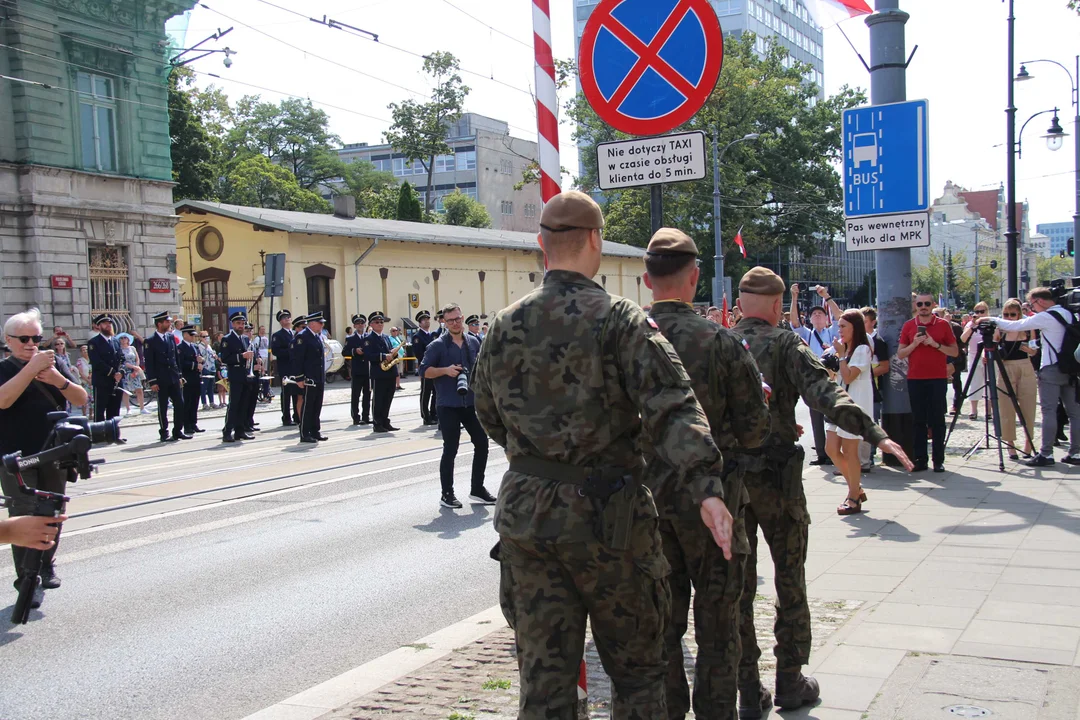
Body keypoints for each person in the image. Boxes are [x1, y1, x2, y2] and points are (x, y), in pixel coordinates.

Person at [472, 191, 736, 719]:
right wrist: (707, 488)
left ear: (541, 245)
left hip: (529, 519)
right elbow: (673, 407)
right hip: (608, 520)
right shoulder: (621, 319)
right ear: (595, 239)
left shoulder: (504, 324)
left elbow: (488, 412)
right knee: (639, 676)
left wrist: (539, 460)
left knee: (544, 683)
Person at [731, 268, 912, 716]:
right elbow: (826, 394)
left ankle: (748, 689)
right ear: (777, 307)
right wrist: (874, 432)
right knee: (788, 579)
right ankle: (790, 681)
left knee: (736, 587)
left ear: (739, 304)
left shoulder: (721, 343)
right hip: (777, 478)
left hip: (729, 481)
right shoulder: (787, 343)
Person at [641, 229, 771, 720]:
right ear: (694, 278)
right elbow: (755, 431)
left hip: (647, 506)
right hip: (715, 503)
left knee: (662, 627)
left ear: (647, 278)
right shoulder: (721, 341)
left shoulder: (624, 338)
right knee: (718, 629)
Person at [0, 308, 88, 597]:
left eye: (36, 338)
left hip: (54, 452)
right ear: (8, 340)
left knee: (54, 512)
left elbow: (80, 398)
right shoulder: (5, 368)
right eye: (23, 338)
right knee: (23, 515)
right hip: (16, 457)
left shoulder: (51, 365)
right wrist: (30, 368)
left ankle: (46, 565)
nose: (30, 343)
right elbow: (4, 400)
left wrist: (57, 380)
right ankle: (27, 577)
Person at [978, 287, 1080, 466]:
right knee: (1074, 412)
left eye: (1032, 304)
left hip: (1051, 368)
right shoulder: (1068, 313)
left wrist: (990, 319)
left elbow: (1016, 325)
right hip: (1070, 367)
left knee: (1048, 411)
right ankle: (1076, 452)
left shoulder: (1046, 316)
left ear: (1039, 301)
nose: (1032, 308)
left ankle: (1046, 454)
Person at [419, 303, 494, 509]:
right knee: (450, 448)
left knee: (482, 443)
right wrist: (445, 370)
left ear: (462, 318)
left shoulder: (473, 341)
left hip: (470, 403)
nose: (455, 323)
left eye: (458, 319)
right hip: (448, 404)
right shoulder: (437, 345)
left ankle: (477, 489)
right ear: (444, 321)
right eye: (451, 320)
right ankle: (447, 493)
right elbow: (424, 371)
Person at [897, 293, 960, 472]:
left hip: (937, 378)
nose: (923, 306)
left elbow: (955, 352)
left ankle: (938, 460)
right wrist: (915, 344)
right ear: (915, 306)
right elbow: (901, 353)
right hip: (915, 378)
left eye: (926, 303)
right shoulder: (909, 325)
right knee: (918, 420)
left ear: (933, 305)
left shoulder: (943, 325)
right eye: (919, 304)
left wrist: (935, 344)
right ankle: (920, 459)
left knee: (937, 420)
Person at [825, 310, 876, 514]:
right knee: (831, 449)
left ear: (855, 327)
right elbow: (836, 376)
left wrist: (842, 356)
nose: (840, 330)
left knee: (849, 450)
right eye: (839, 326)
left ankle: (853, 495)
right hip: (838, 403)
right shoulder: (843, 349)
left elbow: (849, 377)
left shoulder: (862, 349)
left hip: (855, 405)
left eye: (844, 326)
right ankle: (856, 488)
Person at [789, 284, 844, 466]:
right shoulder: (807, 334)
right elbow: (795, 322)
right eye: (814, 314)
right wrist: (794, 297)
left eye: (821, 313)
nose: (817, 315)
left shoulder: (833, 332)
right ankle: (821, 454)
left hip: (833, 381)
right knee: (816, 419)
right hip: (813, 382)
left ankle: (835, 452)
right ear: (810, 319)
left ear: (826, 317)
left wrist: (826, 297)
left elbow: (840, 317)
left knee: (834, 419)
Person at [993, 299, 1039, 459]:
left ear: (1019, 314)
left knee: (1028, 405)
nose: (1009, 317)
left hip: (1024, 365)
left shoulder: (1027, 329)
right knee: (1005, 407)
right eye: (1006, 314)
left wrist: (1025, 347)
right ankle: (1010, 445)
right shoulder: (1000, 329)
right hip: (1006, 367)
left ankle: (1028, 443)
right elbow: (992, 347)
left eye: (1012, 314)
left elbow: (1034, 352)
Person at [145, 312, 188, 443]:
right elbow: (149, 363)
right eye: (167, 322)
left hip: (174, 377)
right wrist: (152, 381)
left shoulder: (170, 338)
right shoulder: (150, 341)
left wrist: (180, 375)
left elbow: (176, 358)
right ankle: (164, 432)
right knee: (162, 406)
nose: (169, 324)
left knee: (180, 404)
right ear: (159, 324)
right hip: (161, 378)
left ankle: (178, 430)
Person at [857, 308, 891, 472]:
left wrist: (863, 372)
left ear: (872, 322)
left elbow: (885, 366)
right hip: (858, 388)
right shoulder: (856, 340)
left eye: (864, 322)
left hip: (874, 389)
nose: (861, 325)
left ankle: (868, 458)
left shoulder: (877, 341)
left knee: (870, 422)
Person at [220, 312, 255, 443]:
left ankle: (240, 431)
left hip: (245, 375)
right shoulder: (227, 339)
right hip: (235, 375)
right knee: (234, 404)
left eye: (242, 323)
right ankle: (227, 431)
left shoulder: (245, 339)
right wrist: (242, 356)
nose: (241, 326)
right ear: (232, 324)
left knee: (244, 404)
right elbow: (225, 358)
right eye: (238, 323)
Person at [363, 312, 400, 433]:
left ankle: (385, 421)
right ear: (371, 324)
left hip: (390, 372)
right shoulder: (368, 339)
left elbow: (389, 352)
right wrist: (383, 356)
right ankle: (377, 423)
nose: (380, 324)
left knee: (388, 398)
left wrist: (393, 353)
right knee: (378, 399)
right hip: (379, 373)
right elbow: (368, 355)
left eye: (381, 322)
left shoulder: (386, 337)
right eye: (377, 322)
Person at [295, 311, 328, 443]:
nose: (322, 325)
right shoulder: (302, 337)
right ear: (312, 323)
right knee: (308, 406)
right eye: (320, 323)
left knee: (317, 405)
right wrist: (299, 378)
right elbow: (298, 359)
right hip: (308, 378)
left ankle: (315, 430)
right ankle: (305, 432)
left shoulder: (317, 336)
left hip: (318, 376)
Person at [87, 314, 123, 421]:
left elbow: (122, 358)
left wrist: (121, 372)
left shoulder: (115, 341)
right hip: (102, 381)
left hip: (116, 382)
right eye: (105, 323)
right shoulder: (94, 342)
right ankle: (100, 436)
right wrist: (113, 373)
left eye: (109, 323)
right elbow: (96, 362)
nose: (108, 325)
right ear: (99, 326)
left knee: (115, 410)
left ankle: (114, 435)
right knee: (100, 411)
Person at [960, 302, 991, 419]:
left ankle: (989, 410)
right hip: (974, 356)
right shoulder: (970, 324)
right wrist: (973, 325)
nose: (979, 314)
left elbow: (996, 338)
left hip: (988, 355)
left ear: (987, 312)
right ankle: (974, 410)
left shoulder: (991, 323)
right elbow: (963, 338)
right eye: (977, 312)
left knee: (989, 381)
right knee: (974, 382)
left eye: (982, 312)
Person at [271, 310, 299, 426]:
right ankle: (286, 417)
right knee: (286, 393)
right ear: (280, 322)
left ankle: (297, 416)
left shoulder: (296, 334)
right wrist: (291, 351)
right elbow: (276, 351)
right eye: (284, 318)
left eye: (288, 317)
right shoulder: (277, 335)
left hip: (296, 368)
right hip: (285, 368)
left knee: (297, 392)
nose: (287, 319)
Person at [342, 314, 371, 425]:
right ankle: (355, 417)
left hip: (367, 369)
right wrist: (354, 351)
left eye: (362, 323)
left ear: (365, 324)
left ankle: (366, 416)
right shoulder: (350, 339)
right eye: (357, 323)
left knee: (367, 394)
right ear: (354, 326)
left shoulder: (368, 337)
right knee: (356, 395)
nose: (360, 325)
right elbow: (344, 352)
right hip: (357, 370)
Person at [412, 310, 439, 425]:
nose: (427, 322)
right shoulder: (417, 337)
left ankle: (434, 413)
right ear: (419, 323)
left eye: (428, 319)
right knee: (426, 392)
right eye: (424, 320)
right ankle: (425, 416)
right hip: (426, 368)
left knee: (436, 392)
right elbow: (419, 354)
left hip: (435, 368)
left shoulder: (433, 335)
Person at [177, 325, 204, 435]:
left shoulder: (195, 347)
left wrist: (201, 360)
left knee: (195, 401)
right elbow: (181, 363)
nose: (193, 337)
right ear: (185, 335)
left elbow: (200, 359)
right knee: (187, 402)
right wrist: (194, 364)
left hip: (196, 377)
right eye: (191, 335)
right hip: (187, 378)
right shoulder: (180, 347)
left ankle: (193, 423)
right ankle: (187, 425)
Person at [943, 308, 967, 415]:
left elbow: (962, 343)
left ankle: (957, 406)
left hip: (955, 358)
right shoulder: (937, 327)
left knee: (956, 382)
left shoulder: (956, 327)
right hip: (943, 357)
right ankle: (942, 407)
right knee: (942, 384)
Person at [117, 334, 146, 415]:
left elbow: (137, 358)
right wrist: (132, 366)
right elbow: (122, 362)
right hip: (125, 371)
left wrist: (136, 368)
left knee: (139, 389)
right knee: (126, 391)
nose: (123, 340)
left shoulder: (132, 348)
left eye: (124, 338)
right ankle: (128, 409)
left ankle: (142, 408)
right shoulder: (119, 350)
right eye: (121, 338)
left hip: (135, 370)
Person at [75, 344, 92, 416]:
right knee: (85, 399)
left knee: (92, 399)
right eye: (83, 350)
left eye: (86, 349)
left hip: (93, 381)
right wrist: (88, 381)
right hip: (84, 382)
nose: (85, 351)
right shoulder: (80, 361)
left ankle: (91, 414)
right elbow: (80, 372)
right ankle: (84, 414)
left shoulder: (93, 359)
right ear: (81, 352)